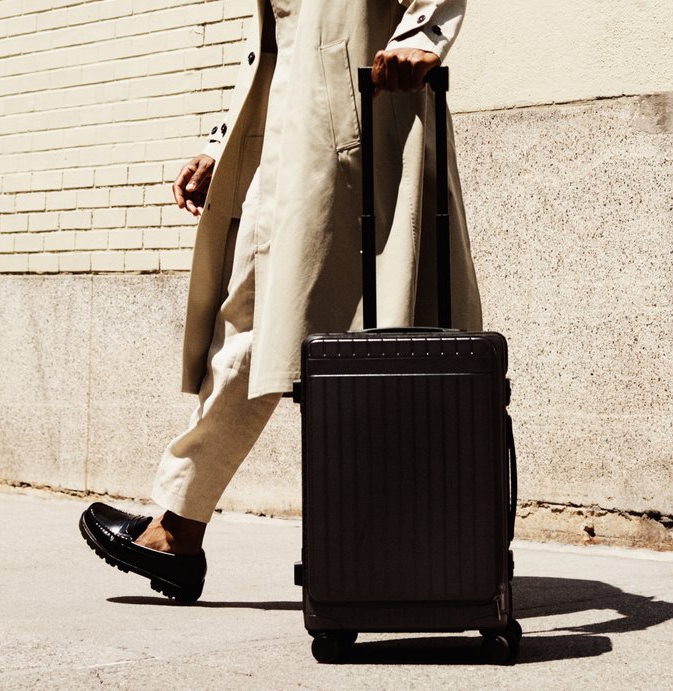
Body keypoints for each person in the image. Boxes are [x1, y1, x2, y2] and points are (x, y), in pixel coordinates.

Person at [79, 0, 480, 602]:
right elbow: (274, 50)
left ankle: (410, 548)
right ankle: (179, 528)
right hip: (287, 153)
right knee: (246, 320)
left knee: (388, 333)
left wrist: (423, 34)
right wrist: (223, 146)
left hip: (365, 137)